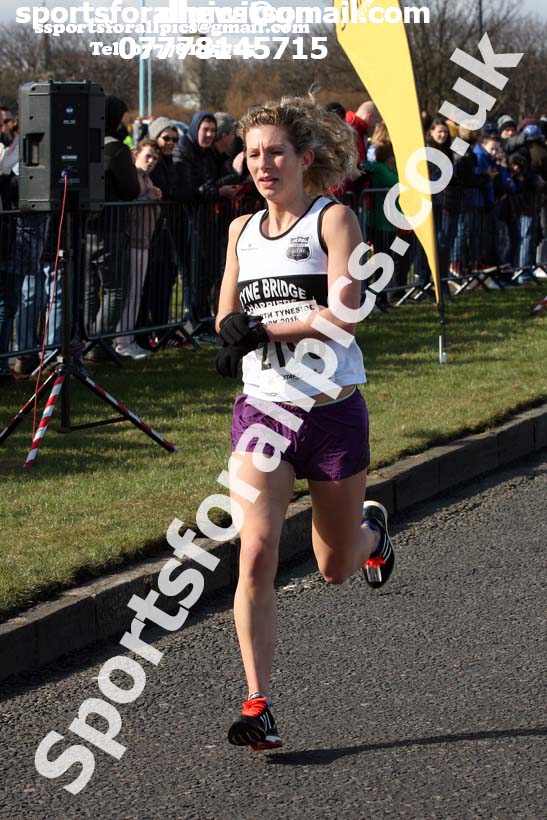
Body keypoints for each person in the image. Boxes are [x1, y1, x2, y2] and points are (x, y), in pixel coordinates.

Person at [215, 94, 395, 751]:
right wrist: (230, 333)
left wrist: (263, 328)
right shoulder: (238, 231)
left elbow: (341, 316)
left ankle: (371, 532)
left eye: (275, 154)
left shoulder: (333, 220)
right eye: (254, 154)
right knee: (255, 553)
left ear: (303, 159)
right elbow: (225, 312)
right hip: (262, 414)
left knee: (332, 568)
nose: (263, 165)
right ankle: (257, 702)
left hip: (330, 414)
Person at [114, 138, 162, 359]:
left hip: (144, 240)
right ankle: (123, 341)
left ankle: (127, 338)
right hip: (132, 240)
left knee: (136, 292)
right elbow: (128, 206)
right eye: (148, 156)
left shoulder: (146, 177)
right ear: (135, 154)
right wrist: (148, 197)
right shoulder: (133, 178)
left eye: (155, 158)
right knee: (131, 292)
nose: (151, 161)